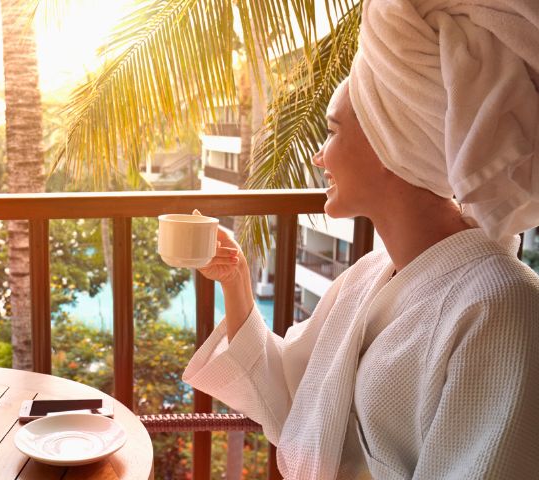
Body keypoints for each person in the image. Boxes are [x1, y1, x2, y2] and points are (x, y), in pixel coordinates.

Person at [182, 1, 539, 478]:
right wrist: (237, 281)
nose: (318, 156)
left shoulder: (502, 307)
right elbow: (296, 395)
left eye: (331, 132)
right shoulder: (372, 272)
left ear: (392, 144)